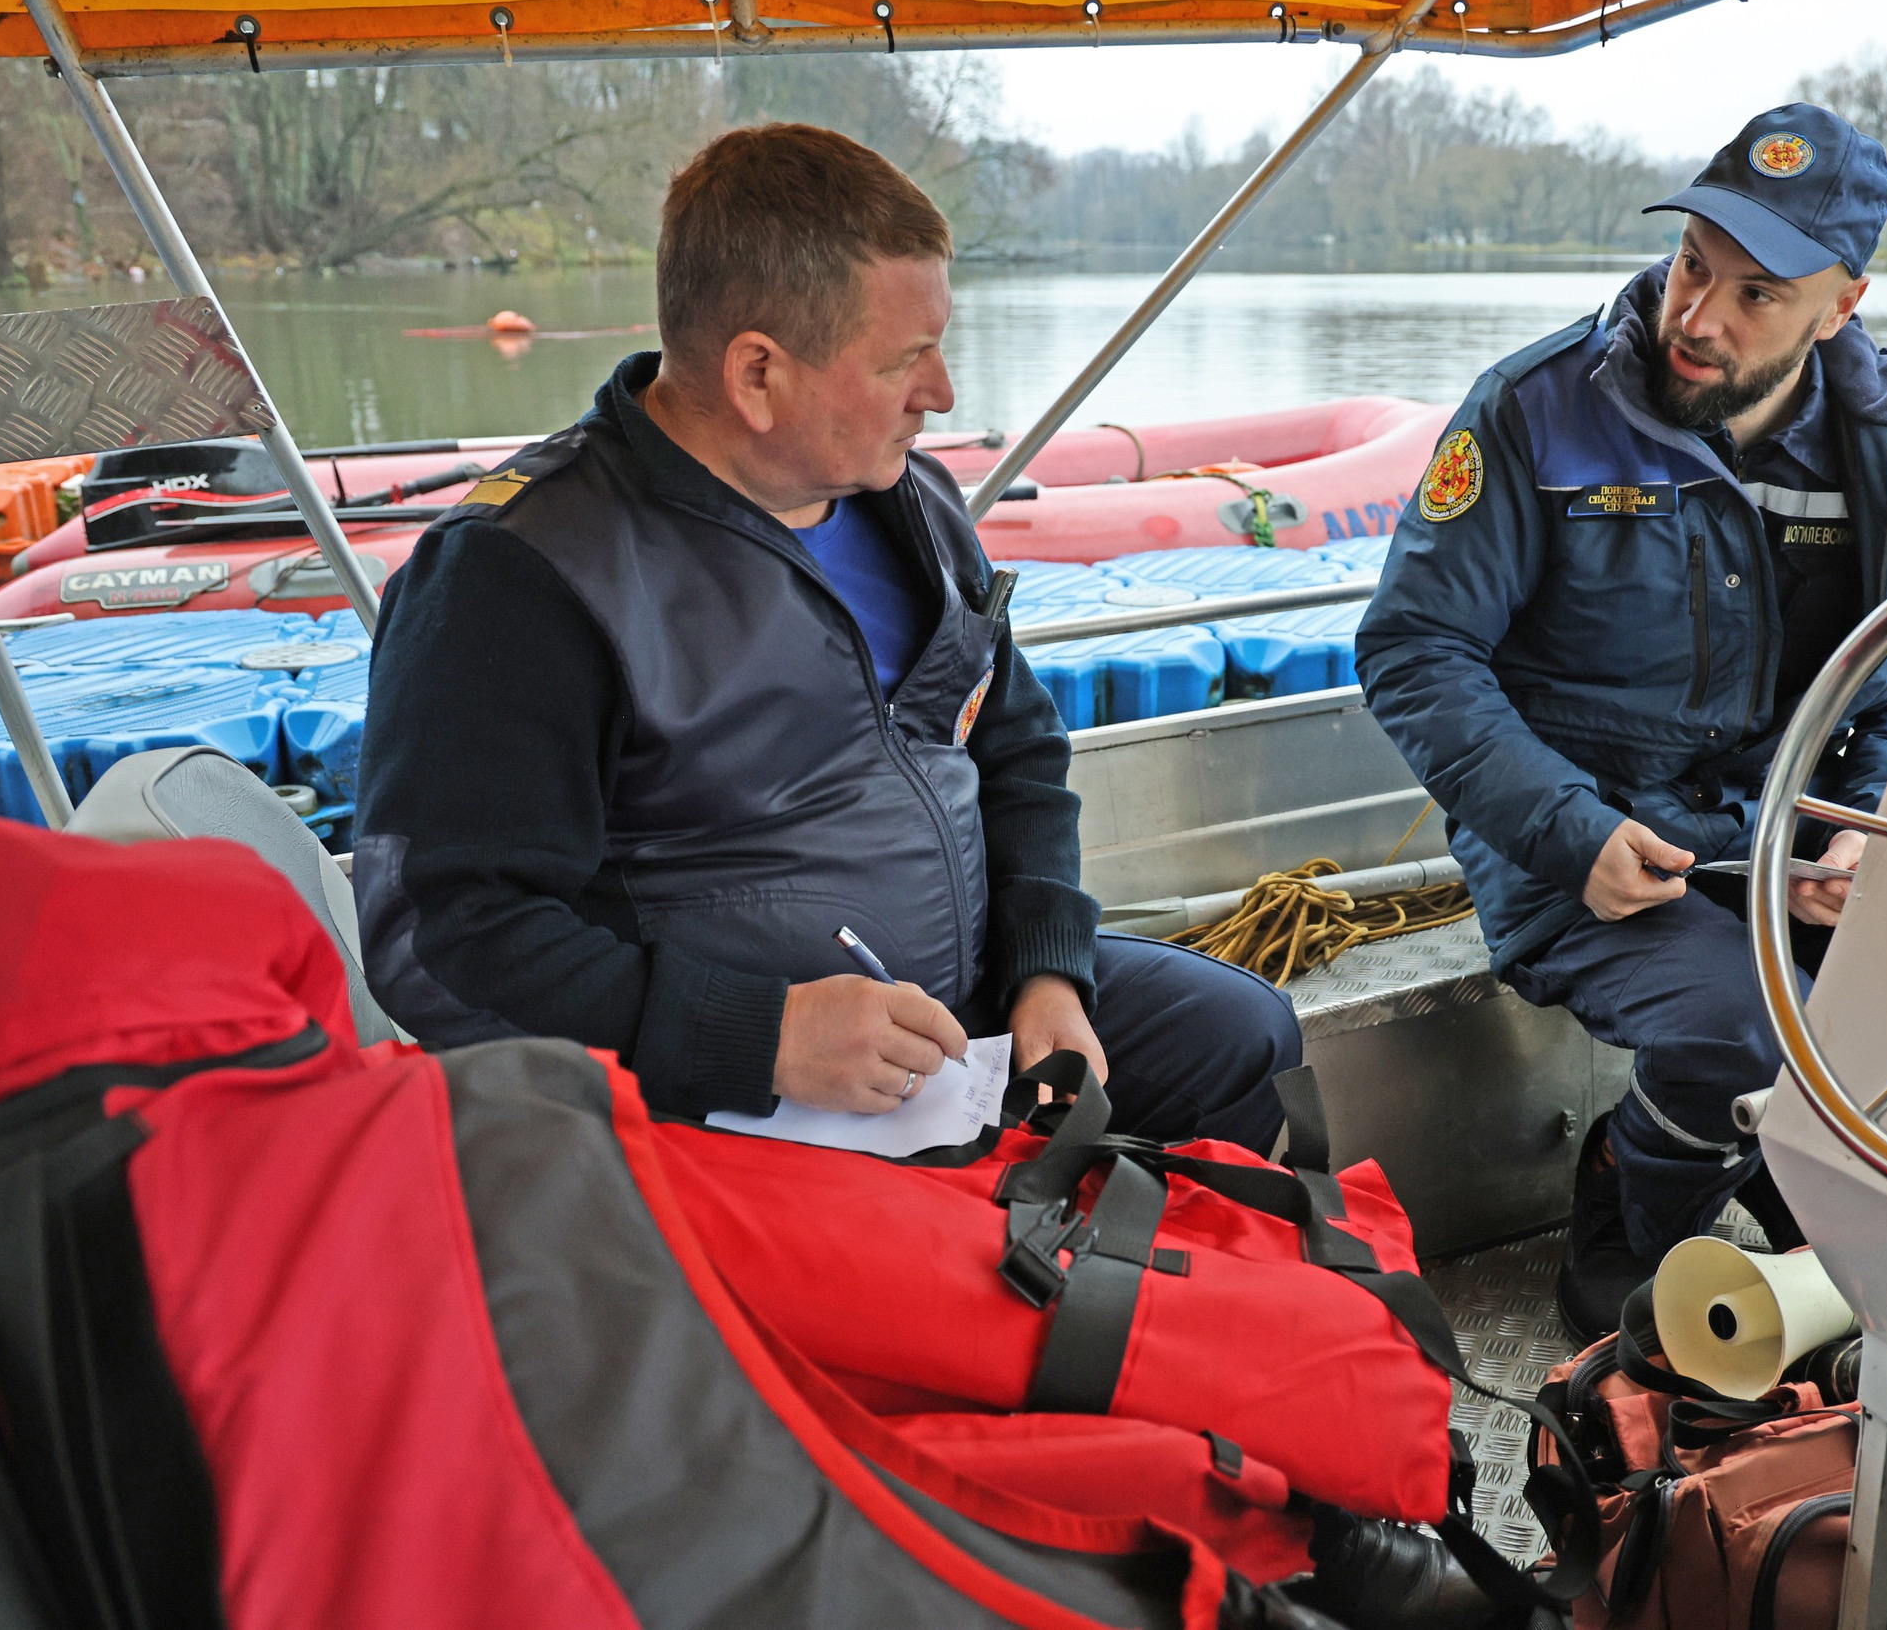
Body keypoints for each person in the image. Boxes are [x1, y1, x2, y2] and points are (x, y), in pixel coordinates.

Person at [354, 123, 1300, 1149]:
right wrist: (764, 1038)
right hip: (723, 1091)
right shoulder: (519, 574)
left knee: (1239, 1035)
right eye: (906, 358)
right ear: (758, 373)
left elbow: (1012, 748)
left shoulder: (916, 504)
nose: (941, 394)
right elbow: (446, 940)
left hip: (969, 1018)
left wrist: (1045, 970)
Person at [1354, 104, 1887, 1337]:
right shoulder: (1529, 410)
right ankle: (1634, 1195)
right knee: (1744, 1036)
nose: (1698, 317)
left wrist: (1865, 828)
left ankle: (1802, 1192)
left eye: (1756, 293)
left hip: (1793, 836)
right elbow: (1412, 648)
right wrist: (1566, 830)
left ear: (1843, 305)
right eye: (1691, 265)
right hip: (1573, 836)